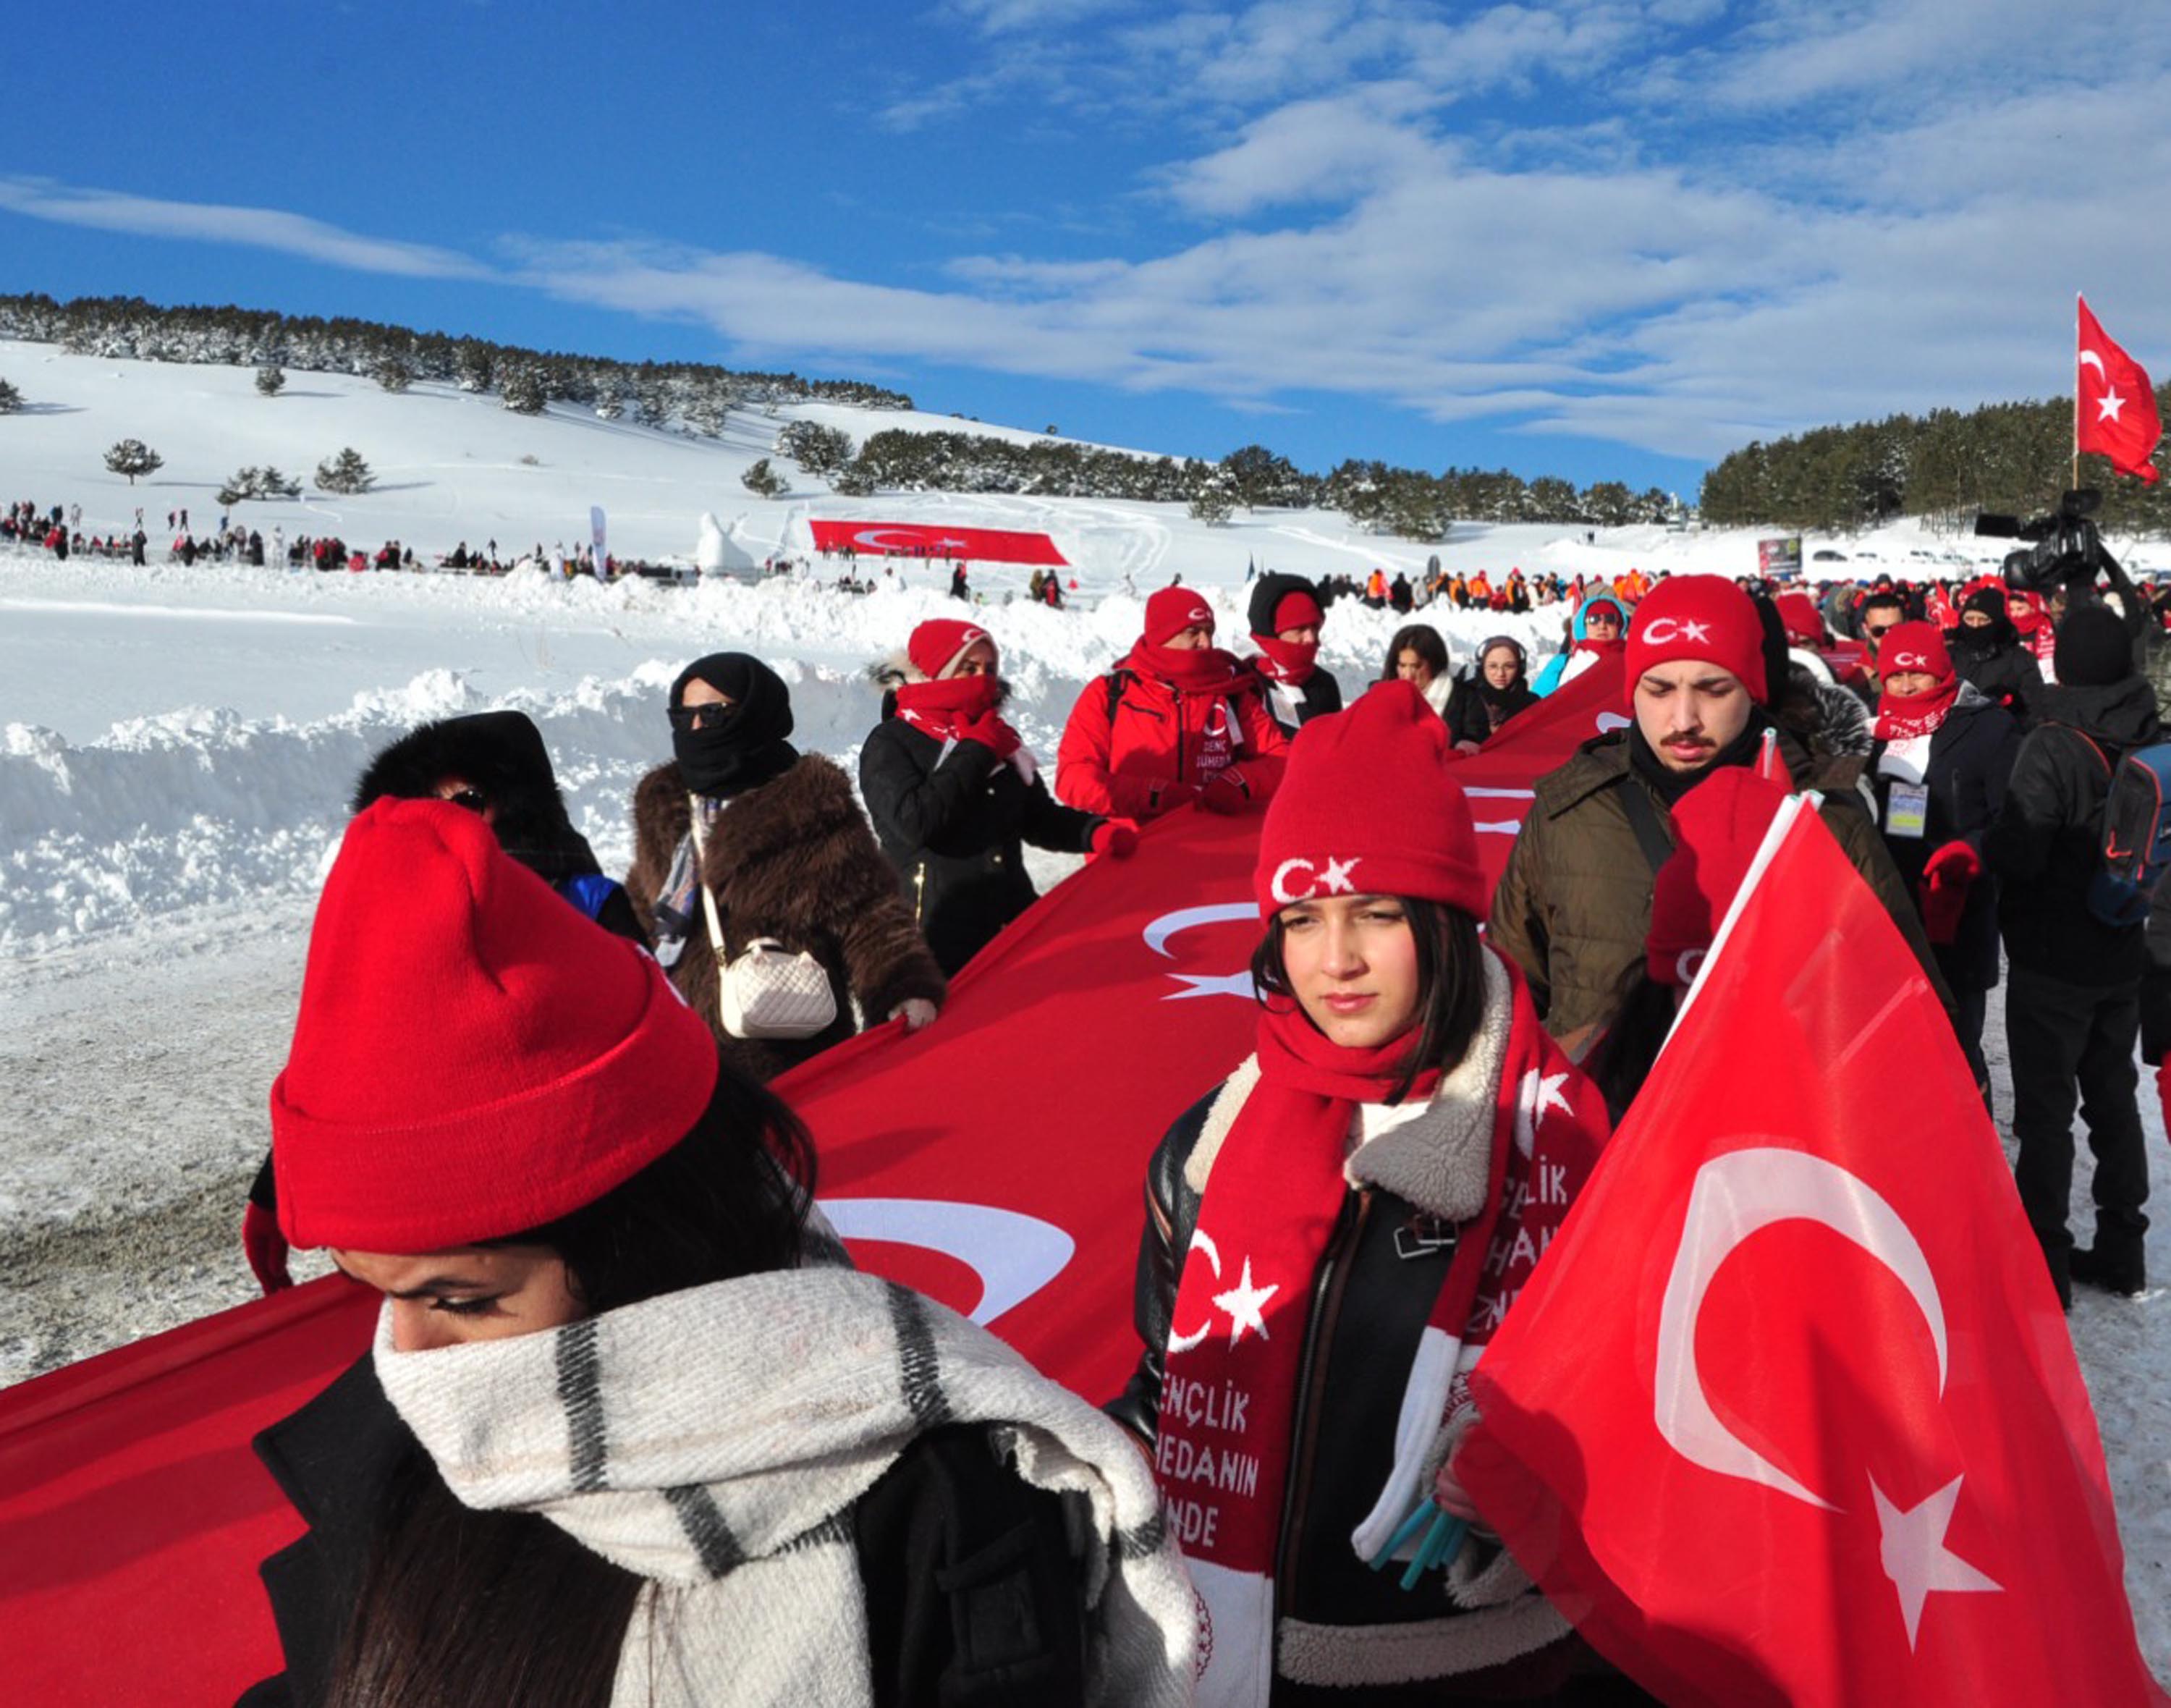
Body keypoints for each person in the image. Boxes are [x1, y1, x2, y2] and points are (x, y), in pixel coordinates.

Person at [241, 799, 1197, 1708]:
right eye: (375, 1294)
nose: (410, 1366)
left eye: (465, 1301)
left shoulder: (939, 1509)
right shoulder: (404, 1450)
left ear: (641, 1247)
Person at [1106, 683, 1617, 1704]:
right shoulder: (1206, 1146)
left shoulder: (1560, 1142)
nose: (1333, 961)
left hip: (1469, 1669)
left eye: (1375, 915)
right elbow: (1167, 1385)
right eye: (1300, 920)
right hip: (1227, 1655)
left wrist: (1531, 1483)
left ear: (1443, 919)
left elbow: (1644, 1420)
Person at [239, 709, 647, 1297]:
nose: (448, 822)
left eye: (469, 799)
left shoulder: (586, 900)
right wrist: (282, 1178)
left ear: (520, 799)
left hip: (573, 1193)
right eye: (426, 805)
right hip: (447, 1205)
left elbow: (648, 1041)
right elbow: (354, 1051)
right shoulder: (397, 916)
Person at [1490, 575, 1955, 1057]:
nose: (1684, 718)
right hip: (1602, 1125)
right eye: (1659, 689)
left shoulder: (1825, 818)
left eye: (1713, 690)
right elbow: (1503, 1006)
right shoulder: (1567, 811)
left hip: (1768, 1126)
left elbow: (1914, 1025)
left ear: (1751, 689)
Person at [626, 654, 947, 1083]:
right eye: (683, 716)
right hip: (692, 1057)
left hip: (792, 1049)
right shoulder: (666, 808)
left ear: (757, 715)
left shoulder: (810, 807)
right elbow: (646, 912)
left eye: (714, 713)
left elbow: (869, 915)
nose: (697, 729)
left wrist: (903, 986)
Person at [1986, 602, 2159, 1307]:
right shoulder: (2149, 726)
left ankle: (2043, 1262)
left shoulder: (2053, 742)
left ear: (2065, 663)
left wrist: (1991, 843)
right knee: (2114, 1100)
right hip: (2123, 946)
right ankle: (2124, 1249)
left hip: (2052, 957)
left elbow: (2020, 851)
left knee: (2047, 1112)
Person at [861, 619, 1134, 976]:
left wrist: (1095, 832)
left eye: (989, 669)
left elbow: (1036, 818)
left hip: (1010, 931)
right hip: (929, 941)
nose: (982, 678)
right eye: (968, 668)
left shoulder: (996, 737)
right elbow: (916, 822)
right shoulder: (892, 742)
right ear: (933, 673)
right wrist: (978, 749)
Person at [1865, 623, 2020, 1091]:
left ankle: (1975, 1157)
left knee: (1956, 1053)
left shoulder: (1990, 728)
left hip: (1957, 910)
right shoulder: (1871, 731)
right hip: (1888, 911)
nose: (1907, 686)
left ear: (1943, 673)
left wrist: (1970, 853)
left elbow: (2014, 821)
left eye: (1919, 675)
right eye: (1895, 677)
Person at [1056, 585, 1290, 819]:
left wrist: (1242, 782)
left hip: (1216, 842)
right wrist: (1150, 795)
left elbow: (1281, 758)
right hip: (1132, 845)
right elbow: (1072, 777)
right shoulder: (1110, 693)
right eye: (1193, 632)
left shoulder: (1230, 691)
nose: (1205, 643)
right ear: (1162, 636)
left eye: (1209, 631)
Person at [1246, 572, 1344, 732]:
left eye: (1315, 627)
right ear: (1273, 632)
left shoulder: (1324, 685)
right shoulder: (1247, 685)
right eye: (1300, 629)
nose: (1311, 639)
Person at [1946, 583, 2043, 720]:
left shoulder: (2019, 659)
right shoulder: (1949, 656)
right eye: (1969, 619)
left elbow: (2034, 708)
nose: (1975, 626)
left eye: (1983, 620)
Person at [1444, 636, 1539, 753]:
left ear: (1520, 668)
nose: (1500, 674)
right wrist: (1456, 742)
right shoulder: (1460, 697)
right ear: (1482, 667)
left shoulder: (1532, 704)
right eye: (1493, 666)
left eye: (1509, 666)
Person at [1528, 593, 1628, 696]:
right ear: (1584, 626)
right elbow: (1536, 704)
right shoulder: (1562, 664)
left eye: (1610, 619)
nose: (1602, 626)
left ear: (1619, 626)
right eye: (1594, 620)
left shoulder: (1632, 662)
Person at [1381, 622, 1452, 719]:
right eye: (1402, 666)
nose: (1408, 675)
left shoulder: (1464, 702)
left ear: (1435, 664)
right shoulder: (1378, 698)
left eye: (1417, 666)